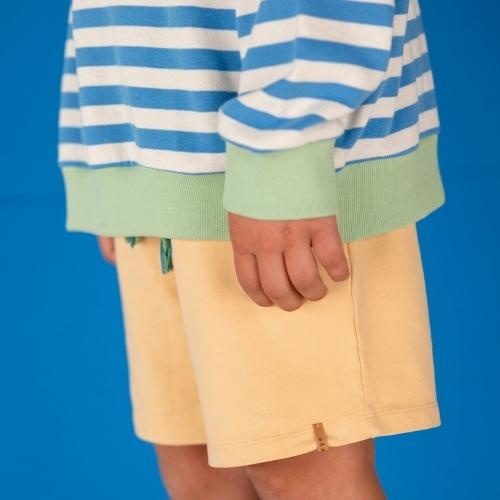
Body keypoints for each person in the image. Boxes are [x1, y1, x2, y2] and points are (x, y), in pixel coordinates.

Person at [58, 0, 446, 498]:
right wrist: (106, 160)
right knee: (197, 474)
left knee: (302, 478)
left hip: (278, 173)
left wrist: (282, 157)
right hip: (147, 151)